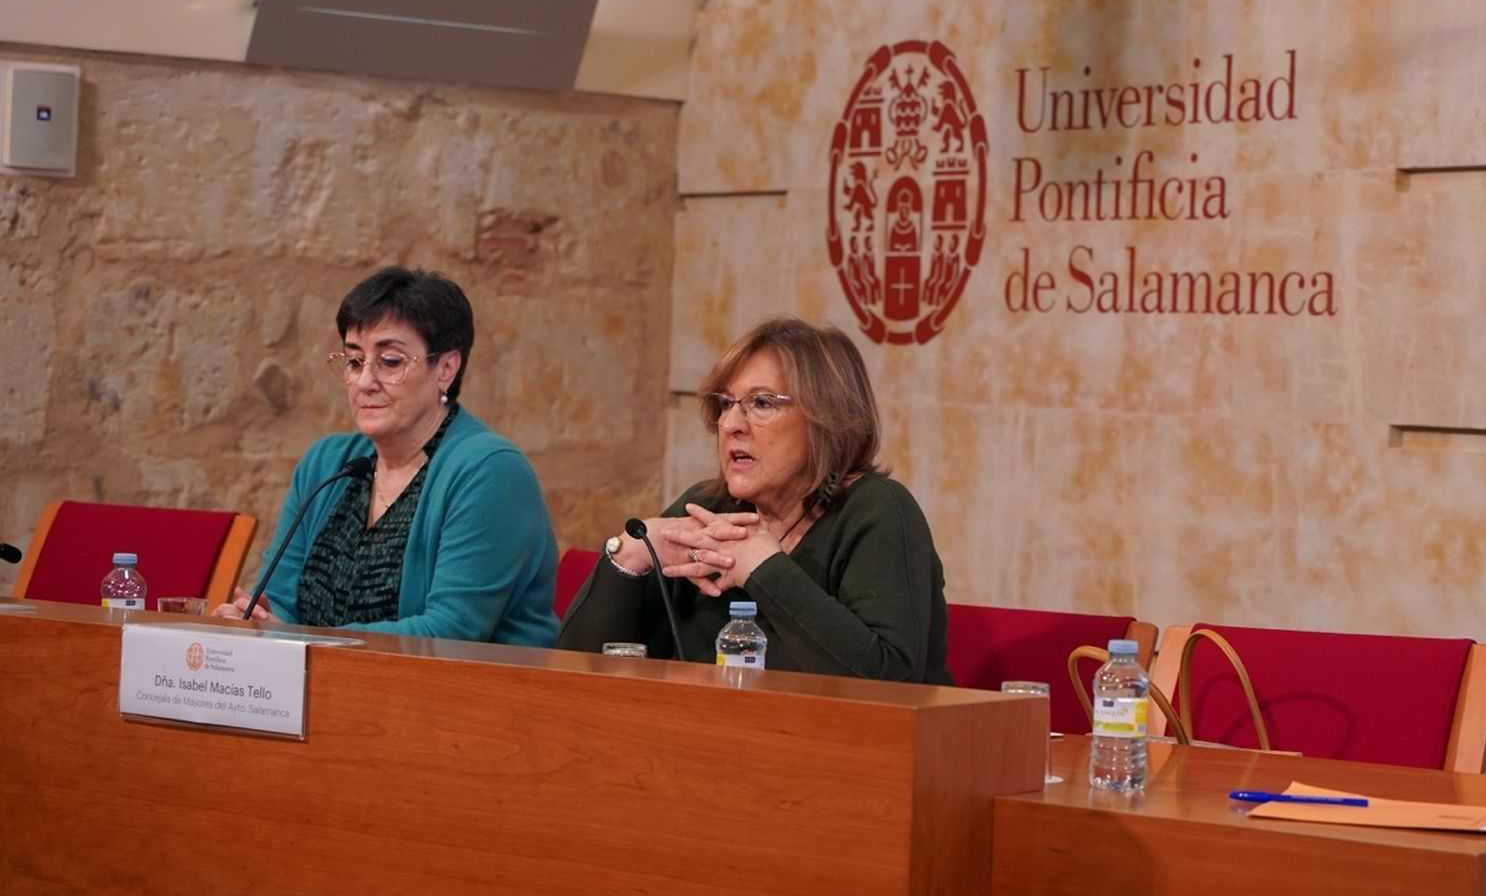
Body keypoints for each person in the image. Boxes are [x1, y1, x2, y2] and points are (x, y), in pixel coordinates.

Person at [558, 316, 951, 683]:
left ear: (826, 419)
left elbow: (891, 679)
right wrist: (632, 553)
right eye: (726, 404)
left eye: (761, 403)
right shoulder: (706, 509)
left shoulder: (877, 511)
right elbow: (572, 676)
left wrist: (764, 569)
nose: (730, 424)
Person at [216, 266, 558, 645]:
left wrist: (299, 639)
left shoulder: (490, 471)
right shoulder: (326, 464)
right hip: (328, 678)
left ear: (445, 368)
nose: (364, 382)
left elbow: (448, 632)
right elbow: (278, 601)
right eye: (354, 361)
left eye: (390, 361)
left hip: (466, 682)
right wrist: (253, 623)